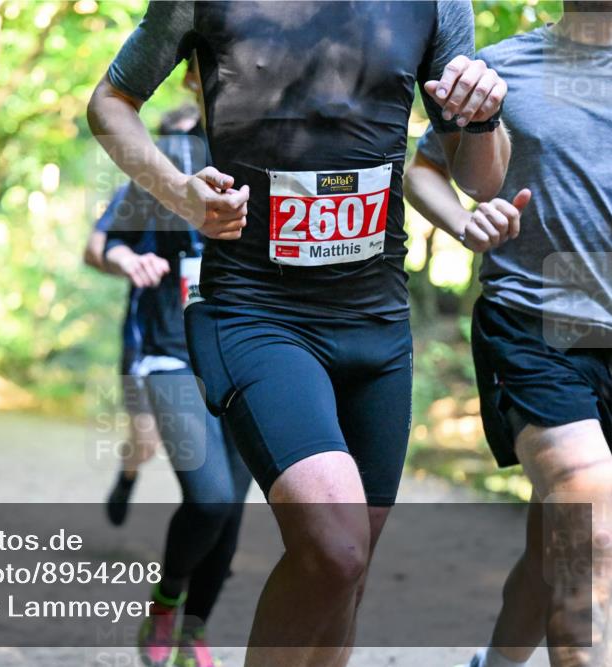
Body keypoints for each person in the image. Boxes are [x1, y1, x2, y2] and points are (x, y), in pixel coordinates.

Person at [88, 2, 511, 665]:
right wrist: (179, 193)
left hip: (376, 323)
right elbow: (110, 103)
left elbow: (482, 177)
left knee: (348, 574)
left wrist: (483, 115)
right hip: (256, 312)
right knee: (336, 547)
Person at [403, 4, 612, 665]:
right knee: (588, 504)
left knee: (557, 544)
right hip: (536, 326)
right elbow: (424, 168)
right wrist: (464, 222)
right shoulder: (498, 69)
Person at [103, 112, 251, 667]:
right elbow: (107, 244)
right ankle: (165, 603)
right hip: (169, 353)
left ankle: (194, 631)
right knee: (209, 498)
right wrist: (129, 258)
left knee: (232, 512)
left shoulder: (268, 160)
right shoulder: (161, 170)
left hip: (248, 357)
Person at [84, 182, 164, 526]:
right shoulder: (142, 188)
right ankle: (127, 474)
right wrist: (128, 261)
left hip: (211, 335)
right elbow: (94, 250)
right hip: (146, 336)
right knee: (147, 441)